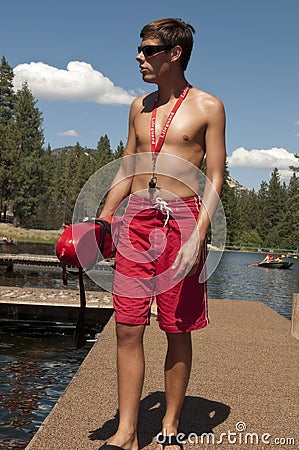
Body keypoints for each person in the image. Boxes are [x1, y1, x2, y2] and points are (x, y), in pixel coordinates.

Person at [98, 17, 226, 450]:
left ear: (175, 53)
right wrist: (103, 218)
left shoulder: (209, 107)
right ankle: (127, 432)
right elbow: (127, 164)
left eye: (148, 50)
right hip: (135, 221)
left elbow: (215, 176)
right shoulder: (138, 106)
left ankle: (170, 423)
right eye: (139, 49)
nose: (139, 57)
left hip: (183, 221)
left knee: (176, 327)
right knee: (128, 328)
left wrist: (198, 235)